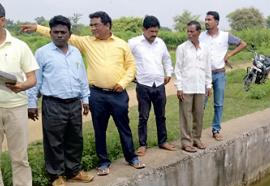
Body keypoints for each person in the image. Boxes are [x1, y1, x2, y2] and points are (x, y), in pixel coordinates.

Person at [22, 11, 144, 176]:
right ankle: (103, 162)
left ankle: (132, 158)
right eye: (91, 25)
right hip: (97, 94)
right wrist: (37, 27)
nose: (92, 28)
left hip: (118, 94)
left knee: (123, 127)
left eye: (96, 25)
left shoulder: (121, 44)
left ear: (107, 26)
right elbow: (61, 34)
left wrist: (123, 83)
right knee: (98, 130)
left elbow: (131, 66)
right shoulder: (87, 42)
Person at [27, 15, 94, 186]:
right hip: (53, 103)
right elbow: (36, 80)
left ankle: (74, 171)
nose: (59, 35)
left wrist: (85, 98)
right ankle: (56, 176)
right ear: (50, 33)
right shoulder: (42, 53)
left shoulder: (76, 53)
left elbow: (82, 77)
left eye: (63, 32)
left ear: (69, 34)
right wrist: (32, 102)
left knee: (75, 138)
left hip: (74, 103)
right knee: (54, 141)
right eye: (55, 32)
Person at [0, 2, 44, 186]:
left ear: (2, 21)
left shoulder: (19, 46)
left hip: (16, 106)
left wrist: (20, 86)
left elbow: (32, 79)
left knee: (20, 155)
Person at [128, 15, 176, 156]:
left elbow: (167, 59)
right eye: (151, 31)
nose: (154, 34)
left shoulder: (160, 43)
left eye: (156, 31)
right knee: (143, 116)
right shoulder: (133, 43)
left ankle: (163, 141)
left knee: (161, 115)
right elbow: (123, 59)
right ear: (143, 29)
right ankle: (143, 145)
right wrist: (130, 76)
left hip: (159, 85)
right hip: (143, 85)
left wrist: (168, 73)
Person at [199, 11, 247, 141]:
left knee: (218, 104)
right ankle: (196, 132)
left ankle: (216, 130)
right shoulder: (201, 36)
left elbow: (243, 44)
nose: (206, 22)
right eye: (206, 19)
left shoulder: (225, 36)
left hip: (219, 74)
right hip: (204, 75)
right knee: (200, 103)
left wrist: (229, 55)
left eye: (209, 19)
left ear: (217, 22)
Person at [175, 21, 211, 153]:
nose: (189, 34)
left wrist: (209, 85)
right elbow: (178, 69)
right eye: (188, 31)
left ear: (199, 32)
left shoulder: (205, 49)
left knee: (199, 114)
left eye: (192, 31)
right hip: (186, 87)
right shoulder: (182, 48)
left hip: (200, 86)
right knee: (185, 115)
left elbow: (207, 68)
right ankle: (186, 141)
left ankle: (197, 138)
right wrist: (179, 87)